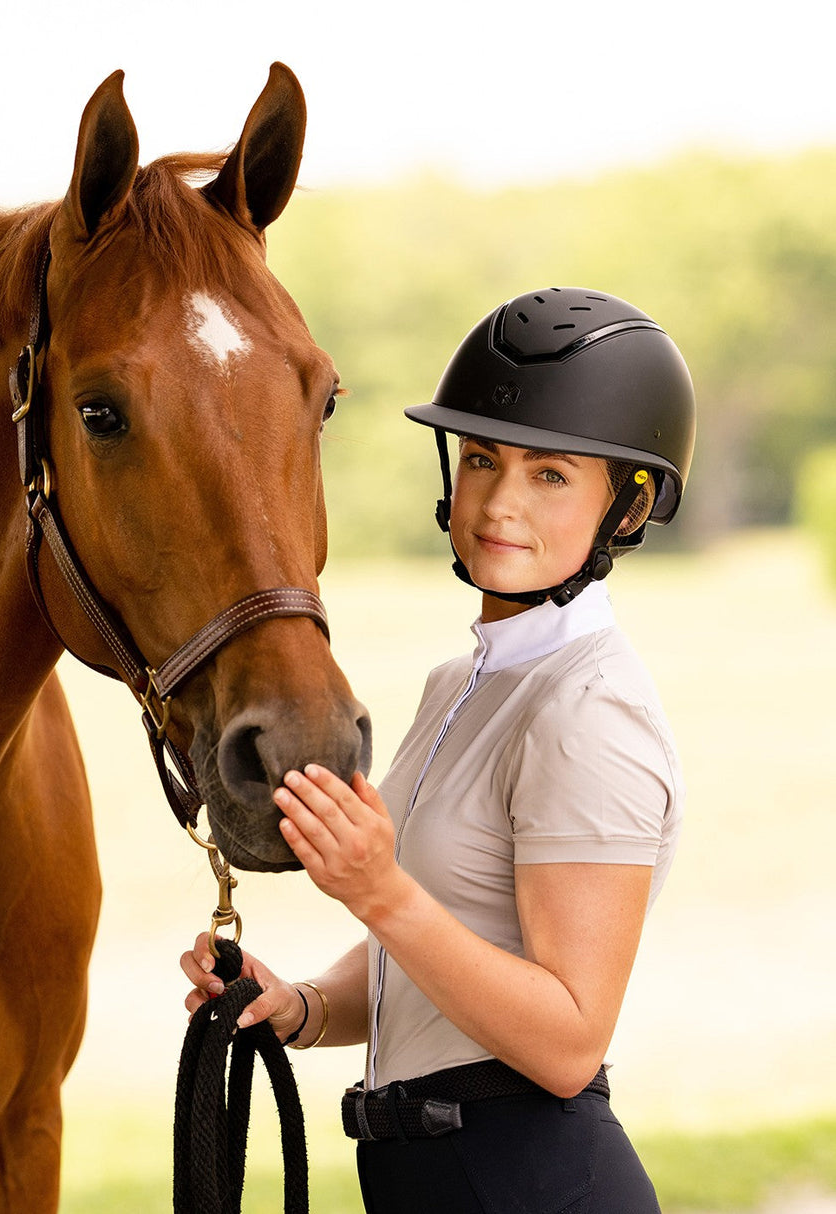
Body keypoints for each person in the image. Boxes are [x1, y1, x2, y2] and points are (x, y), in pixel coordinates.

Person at [180, 286, 696, 1213]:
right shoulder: (460, 682)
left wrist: (378, 891)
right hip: (436, 1179)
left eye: (551, 475)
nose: (499, 502)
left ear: (628, 509)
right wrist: (303, 1005)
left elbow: (568, 1041)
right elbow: (441, 943)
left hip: (530, 1183)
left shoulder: (592, 712)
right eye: (482, 459)